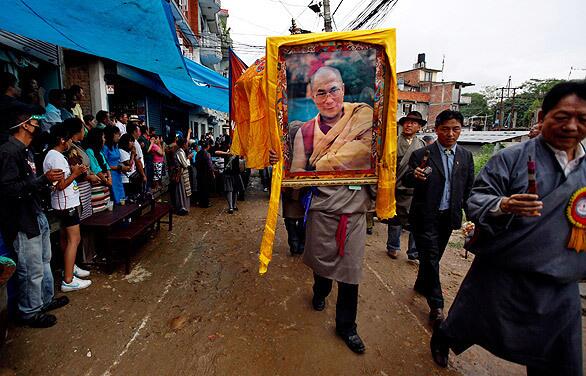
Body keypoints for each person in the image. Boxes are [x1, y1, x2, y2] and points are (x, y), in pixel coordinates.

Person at [431, 81, 586, 375]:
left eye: (583, 119)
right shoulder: (512, 158)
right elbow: (476, 198)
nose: (572, 127)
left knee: (560, 355)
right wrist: (504, 205)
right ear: (543, 117)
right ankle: (444, 336)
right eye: (563, 117)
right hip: (505, 270)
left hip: (561, 280)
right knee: (468, 321)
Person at [403, 110, 474, 326]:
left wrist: (471, 219)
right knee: (431, 257)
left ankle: (421, 284)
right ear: (436, 130)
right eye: (445, 129)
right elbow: (407, 179)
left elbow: (469, 189)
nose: (451, 134)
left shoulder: (465, 156)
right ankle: (437, 305)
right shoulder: (422, 154)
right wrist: (414, 176)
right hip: (425, 217)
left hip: (448, 217)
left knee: (433, 257)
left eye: (456, 129)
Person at [0, 105, 69, 327]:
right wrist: (42, 180)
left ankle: (45, 300)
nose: (39, 124)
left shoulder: (26, 151)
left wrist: (45, 183)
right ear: (24, 125)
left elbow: (29, 184)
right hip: (22, 220)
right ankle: (30, 312)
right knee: (31, 268)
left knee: (44, 260)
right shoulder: (8, 152)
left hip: (35, 213)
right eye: (35, 121)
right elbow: (9, 190)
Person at [290, 66, 373, 172]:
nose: (329, 100)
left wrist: (323, 165)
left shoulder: (362, 115)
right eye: (321, 93)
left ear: (343, 90)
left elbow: (366, 153)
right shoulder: (304, 131)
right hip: (318, 188)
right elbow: (296, 169)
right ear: (313, 97)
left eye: (334, 90)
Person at [43, 123, 92, 292]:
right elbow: (61, 185)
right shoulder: (55, 157)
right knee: (74, 239)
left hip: (64, 204)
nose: (71, 142)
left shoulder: (55, 155)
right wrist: (75, 174)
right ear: (62, 140)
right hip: (66, 204)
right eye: (69, 139)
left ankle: (69, 268)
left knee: (66, 238)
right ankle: (68, 280)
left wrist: (74, 171)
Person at [386, 111, 426, 261]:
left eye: (414, 123)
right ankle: (393, 246)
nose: (409, 125)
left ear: (419, 127)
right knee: (395, 218)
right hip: (396, 186)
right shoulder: (393, 142)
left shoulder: (421, 145)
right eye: (407, 122)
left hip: (414, 189)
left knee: (416, 221)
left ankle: (413, 251)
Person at [64, 117, 99, 221]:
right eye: (84, 129)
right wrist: (90, 177)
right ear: (77, 131)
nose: (85, 131)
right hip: (79, 189)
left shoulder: (78, 146)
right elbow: (76, 171)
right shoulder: (71, 148)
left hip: (85, 189)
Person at [85, 128, 112, 213]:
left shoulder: (100, 152)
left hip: (105, 182)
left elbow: (106, 166)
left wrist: (109, 178)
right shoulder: (89, 151)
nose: (104, 139)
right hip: (98, 182)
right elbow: (95, 168)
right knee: (99, 207)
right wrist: (105, 180)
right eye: (103, 137)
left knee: (106, 206)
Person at [102, 126, 127, 204]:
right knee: (115, 197)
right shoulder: (105, 148)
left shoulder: (115, 146)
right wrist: (119, 167)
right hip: (111, 175)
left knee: (121, 197)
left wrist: (122, 167)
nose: (118, 136)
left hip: (118, 174)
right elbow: (104, 164)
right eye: (117, 134)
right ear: (111, 135)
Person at [126, 122, 147, 192]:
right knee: (139, 191)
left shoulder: (135, 142)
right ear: (134, 132)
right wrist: (143, 175)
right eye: (139, 131)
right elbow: (137, 160)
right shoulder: (134, 143)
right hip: (139, 170)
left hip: (139, 169)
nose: (140, 133)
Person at [174, 138, 192, 215]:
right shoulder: (180, 152)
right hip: (181, 173)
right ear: (184, 144)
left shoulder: (181, 152)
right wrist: (189, 158)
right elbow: (185, 164)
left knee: (183, 190)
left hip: (182, 173)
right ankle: (182, 207)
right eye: (186, 143)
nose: (187, 145)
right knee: (182, 191)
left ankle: (184, 207)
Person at [195, 140, 214, 208]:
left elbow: (196, 163)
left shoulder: (198, 153)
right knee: (206, 189)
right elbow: (210, 166)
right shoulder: (207, 154)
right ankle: (206, 203)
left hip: (199, 173)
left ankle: (201, 202)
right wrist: (212, 173)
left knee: (200, 188)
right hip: (206, 174)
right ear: (208, 146)